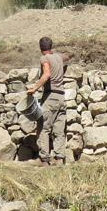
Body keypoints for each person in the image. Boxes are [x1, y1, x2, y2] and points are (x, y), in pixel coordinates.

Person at [27, 36, 67, 165]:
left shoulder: (44, 58)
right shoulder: (59, 57)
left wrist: (34, 88)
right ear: (51, 46)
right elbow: (67, 57)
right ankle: (59, 159)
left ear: (40, 48)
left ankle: (44, 160)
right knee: (59, 130)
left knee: (44, 128)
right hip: (61, 97)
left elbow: (47, 74)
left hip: (51, 97)